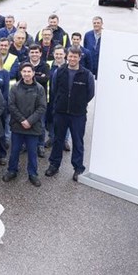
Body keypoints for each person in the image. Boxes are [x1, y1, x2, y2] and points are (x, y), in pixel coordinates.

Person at [45, 47, 95, 182]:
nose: (72, 59)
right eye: (70, 56)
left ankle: (78, 168)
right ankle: (54, 165)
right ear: (67, 57)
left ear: (79, 58)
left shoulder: (87, 75)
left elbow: (90, 94)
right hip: (61, 113)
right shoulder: (59, 72)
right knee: (58, 140)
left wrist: (79, 103)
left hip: (78, 114)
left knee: (78, 141)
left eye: (75, 57)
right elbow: (54, 89)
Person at [3, 62, 47, 187]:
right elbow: (11, 105)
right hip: (18, 126)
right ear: (21, 73)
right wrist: (22, 120)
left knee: (32, 152)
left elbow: (42, 107)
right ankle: (12, 170)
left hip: (33, 127)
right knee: (15, 151)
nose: (26, 74)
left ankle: (33, 174)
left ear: (33, 73)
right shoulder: (15, 88)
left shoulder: (39, 88)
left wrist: (29, 121)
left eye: (29, 71)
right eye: (24, 71)